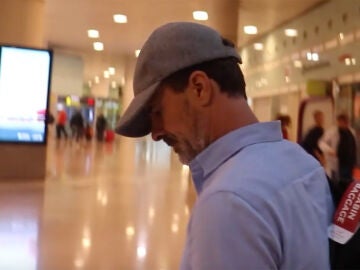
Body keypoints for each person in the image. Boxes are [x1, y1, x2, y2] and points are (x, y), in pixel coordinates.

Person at [115, 22, 334, 269]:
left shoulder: (227, 202)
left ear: (199, 88)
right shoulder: (300, 161)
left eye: (157, 112)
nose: (155, 133)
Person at [319, 113, 356, 183]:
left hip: (349, 162)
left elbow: (353, 146)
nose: (344, 124)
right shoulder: (332, 132)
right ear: (338, 122)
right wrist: (330, 150)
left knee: (348, 181)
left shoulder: (351, 131)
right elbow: (321, 143)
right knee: (338, 182)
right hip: (338, 161)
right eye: (341, 122)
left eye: (345, 122)